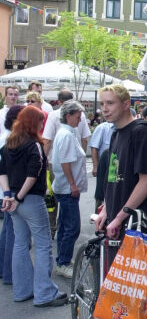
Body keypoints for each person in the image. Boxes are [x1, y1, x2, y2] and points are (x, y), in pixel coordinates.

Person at [95, 84, 147, 290]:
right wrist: (107, 210)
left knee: (136, 294)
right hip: (117, 221)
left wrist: (119, 217)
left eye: (110, 103)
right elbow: (112, 177)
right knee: (118, 291)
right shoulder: (115, 133)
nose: (104, 108)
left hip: (138, 223)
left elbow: (146, 181)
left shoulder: (141, 132)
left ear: (126, 104)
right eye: (102, 104)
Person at [0, 105, 67, 307]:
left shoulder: (8, 145)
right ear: (34, 122)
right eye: (40, 121)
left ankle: (22, 290)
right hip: (29, 199)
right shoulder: (33, 146)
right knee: (43, 244)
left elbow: (2, 171)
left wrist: (8, 196)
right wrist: (19, 196)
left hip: (12, 200)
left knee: (20, 244)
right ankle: (45, 293)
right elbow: (34, 173)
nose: (42, 124)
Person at [51, 101, 88, 279]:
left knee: (66, 225)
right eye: (78, 116)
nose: (80, 120)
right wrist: (73, 184)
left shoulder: (67, 133)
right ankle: (63, 262)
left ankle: (63, 259)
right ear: (68, 116)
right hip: (67, 188)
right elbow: (65, 162)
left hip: (66, 187)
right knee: (71, 227)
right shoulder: (65, 134)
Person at [0, 105, 25, 285]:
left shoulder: (7, 138)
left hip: (7, 191)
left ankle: (4, 269)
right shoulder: (9, 139)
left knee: (9, 231)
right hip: (10, 191)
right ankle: (8, 272)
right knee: (13, 234)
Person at [42, 88, 91, 156]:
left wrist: (44, 160)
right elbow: (84, 139)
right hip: (76, 157)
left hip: (56, 158)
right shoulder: (81, 115)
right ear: (72, 99)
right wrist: (82, 156)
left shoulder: (53, 115)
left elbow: (48, 141)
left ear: (59, 101)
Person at [90, 119, 115, 209]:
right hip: (104, 165)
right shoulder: (102, 128)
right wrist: (95, 166)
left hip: (117, 166)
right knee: (100, 191)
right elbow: (94, 148)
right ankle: (98, 213)